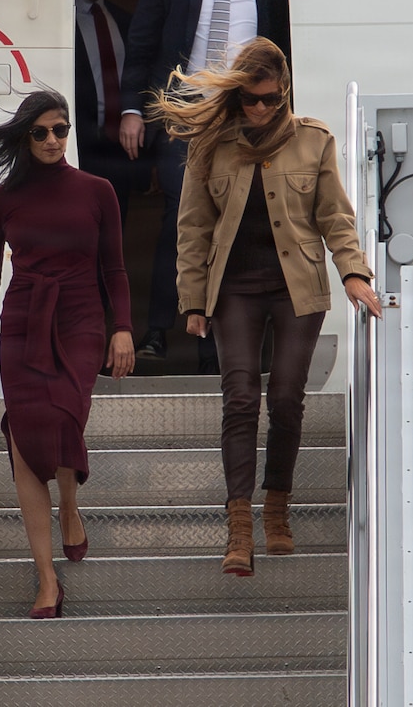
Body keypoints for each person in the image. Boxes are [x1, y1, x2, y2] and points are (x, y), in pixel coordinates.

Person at [148, 37, 382, 576]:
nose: (258, 109)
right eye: (250, 99)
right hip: (233, 288)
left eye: (269, 99)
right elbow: (193, 227)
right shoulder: (212, 145)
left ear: (285, 94)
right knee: (240, 397)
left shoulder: (314, 141)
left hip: (298, 288)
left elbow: (336, 219)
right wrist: (192, 299)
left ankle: (277, 512)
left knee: (286, 398)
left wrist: (353, 272)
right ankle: (239, 530)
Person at [0, 90, 136, 617]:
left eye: (61, 130)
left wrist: (121, 328)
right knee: (25, 446)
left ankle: (71, 505)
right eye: (42, 132)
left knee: (62, 419)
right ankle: (46, 580)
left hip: (81, 319)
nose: (54, 140)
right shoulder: (3, 200)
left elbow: (116, 270)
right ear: (25, 137)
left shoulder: (97, 191)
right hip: (23, 322)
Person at [119, 0, 291, 373]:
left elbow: (285, 47)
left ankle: (218, 348)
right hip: (186, 115)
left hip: (248, 114)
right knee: (183, 216)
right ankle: (160, 331)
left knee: (237, 220)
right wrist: (132, 108)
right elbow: (142, 41)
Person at [74, 0, 133, 225]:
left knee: (117, 221)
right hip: (82, 143)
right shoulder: (61, 24)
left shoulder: (123, 19)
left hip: (119, 143)